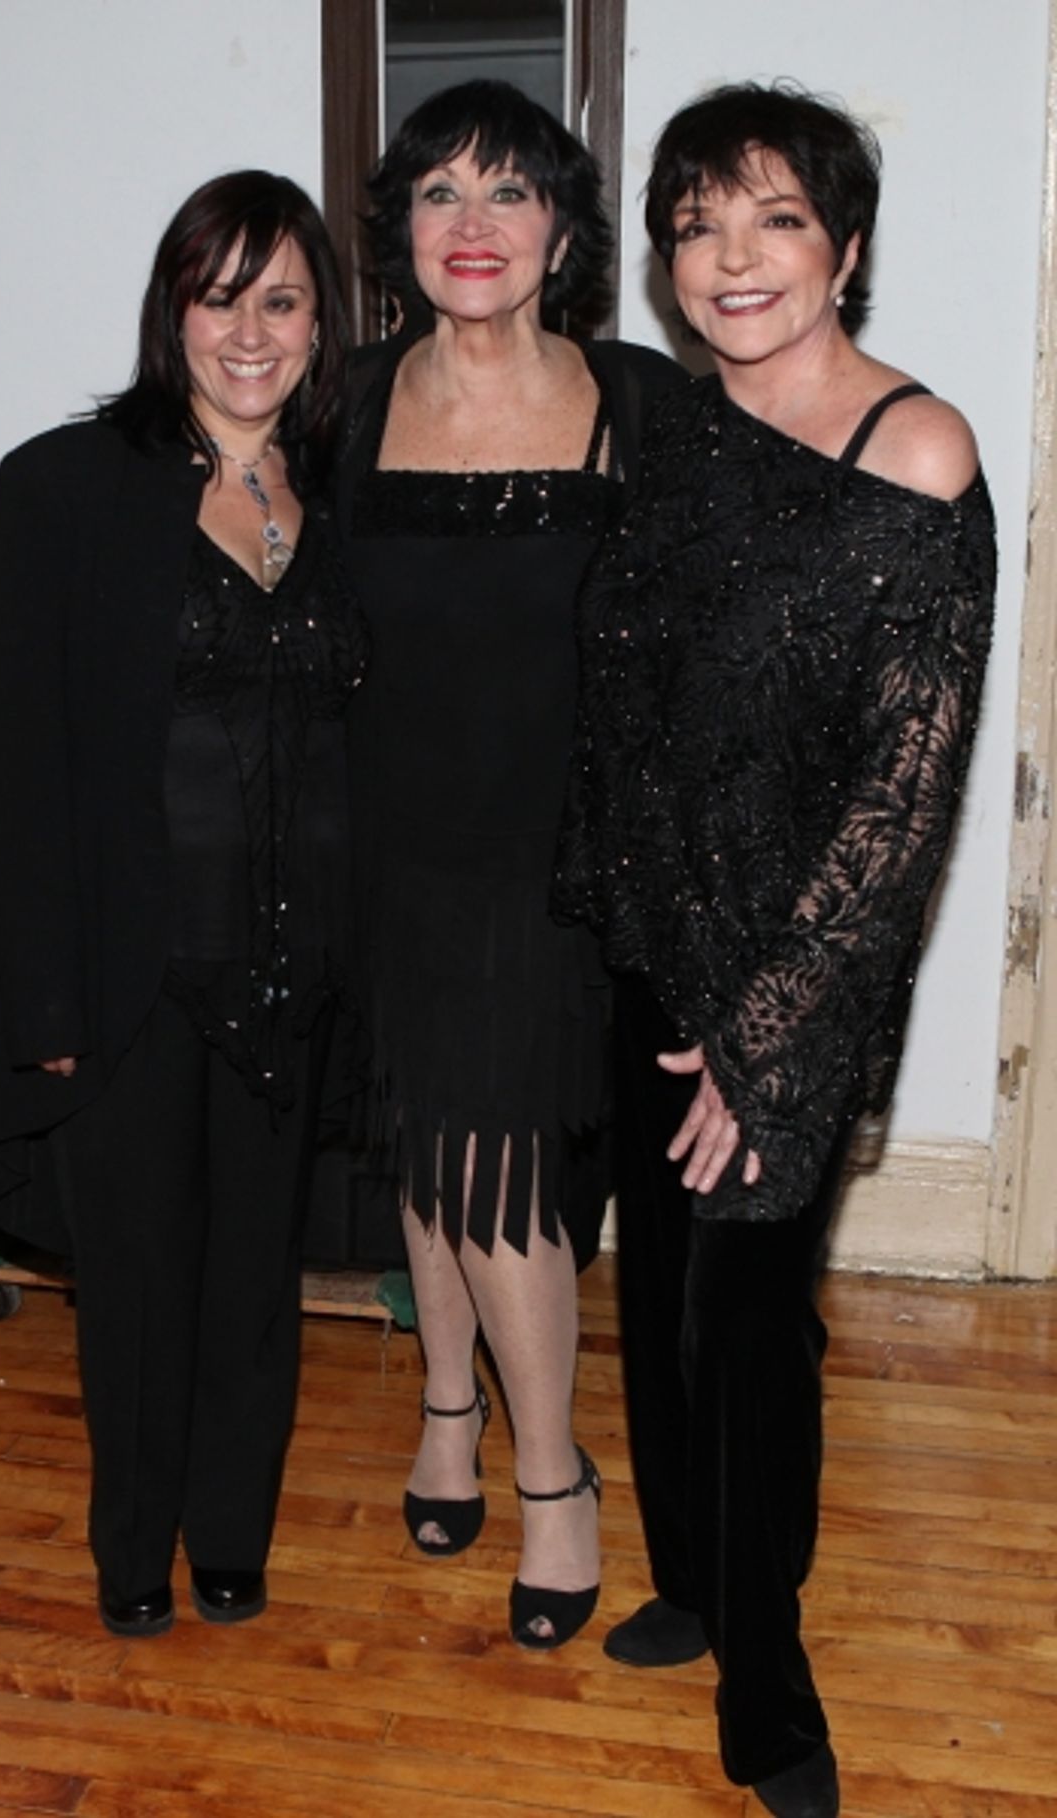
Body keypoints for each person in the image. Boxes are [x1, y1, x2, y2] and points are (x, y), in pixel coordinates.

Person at [553, 82, 995, 1818]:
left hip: (800, 972)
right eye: (697, 222)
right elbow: (634, 700)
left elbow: (907, 789)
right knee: (655, 1298)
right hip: (655, 940)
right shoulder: (663, 429)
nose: (732, 255)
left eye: (776, 218)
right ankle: (690, 1575)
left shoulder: (918, 448)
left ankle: (777, 1673)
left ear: (848, 248)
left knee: (745, 1317)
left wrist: (771, 1029)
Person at [0, 171, 366, 1638]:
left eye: (281, 299)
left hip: (294, 968)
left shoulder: (342, 497)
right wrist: (49, 999)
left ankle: (231, 1533)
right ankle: (134, 1548)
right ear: (172, 311)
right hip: (134, 976)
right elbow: (29, 763)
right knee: (135, 1286)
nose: (248, 331)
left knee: (257, 1281)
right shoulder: (63, 489)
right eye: (220, 296)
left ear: (322, 323)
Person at [335, 79, 685, 1650]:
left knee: (509, 1167)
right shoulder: (346, 401)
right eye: (439, 195)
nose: (472, 227)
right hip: (389, 846)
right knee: (426, 1138)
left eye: (510, 193)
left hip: (557, 857)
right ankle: (447, 1404)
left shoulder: (640, 399)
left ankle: (555, 1476)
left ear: (562, 229)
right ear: (401, 228)